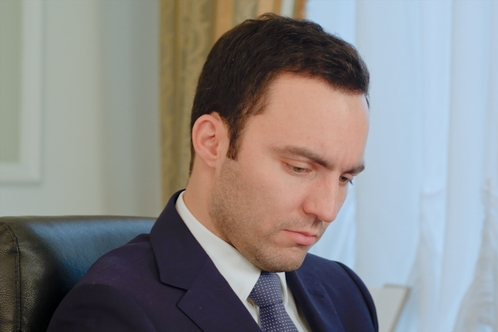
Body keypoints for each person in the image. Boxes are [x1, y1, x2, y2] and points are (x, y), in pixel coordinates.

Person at [48, 14, 377, 331]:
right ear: (212, 141)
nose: (327, 209)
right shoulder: (114, 309)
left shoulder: (346, 293)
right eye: (299, 167)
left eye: (345, 178)